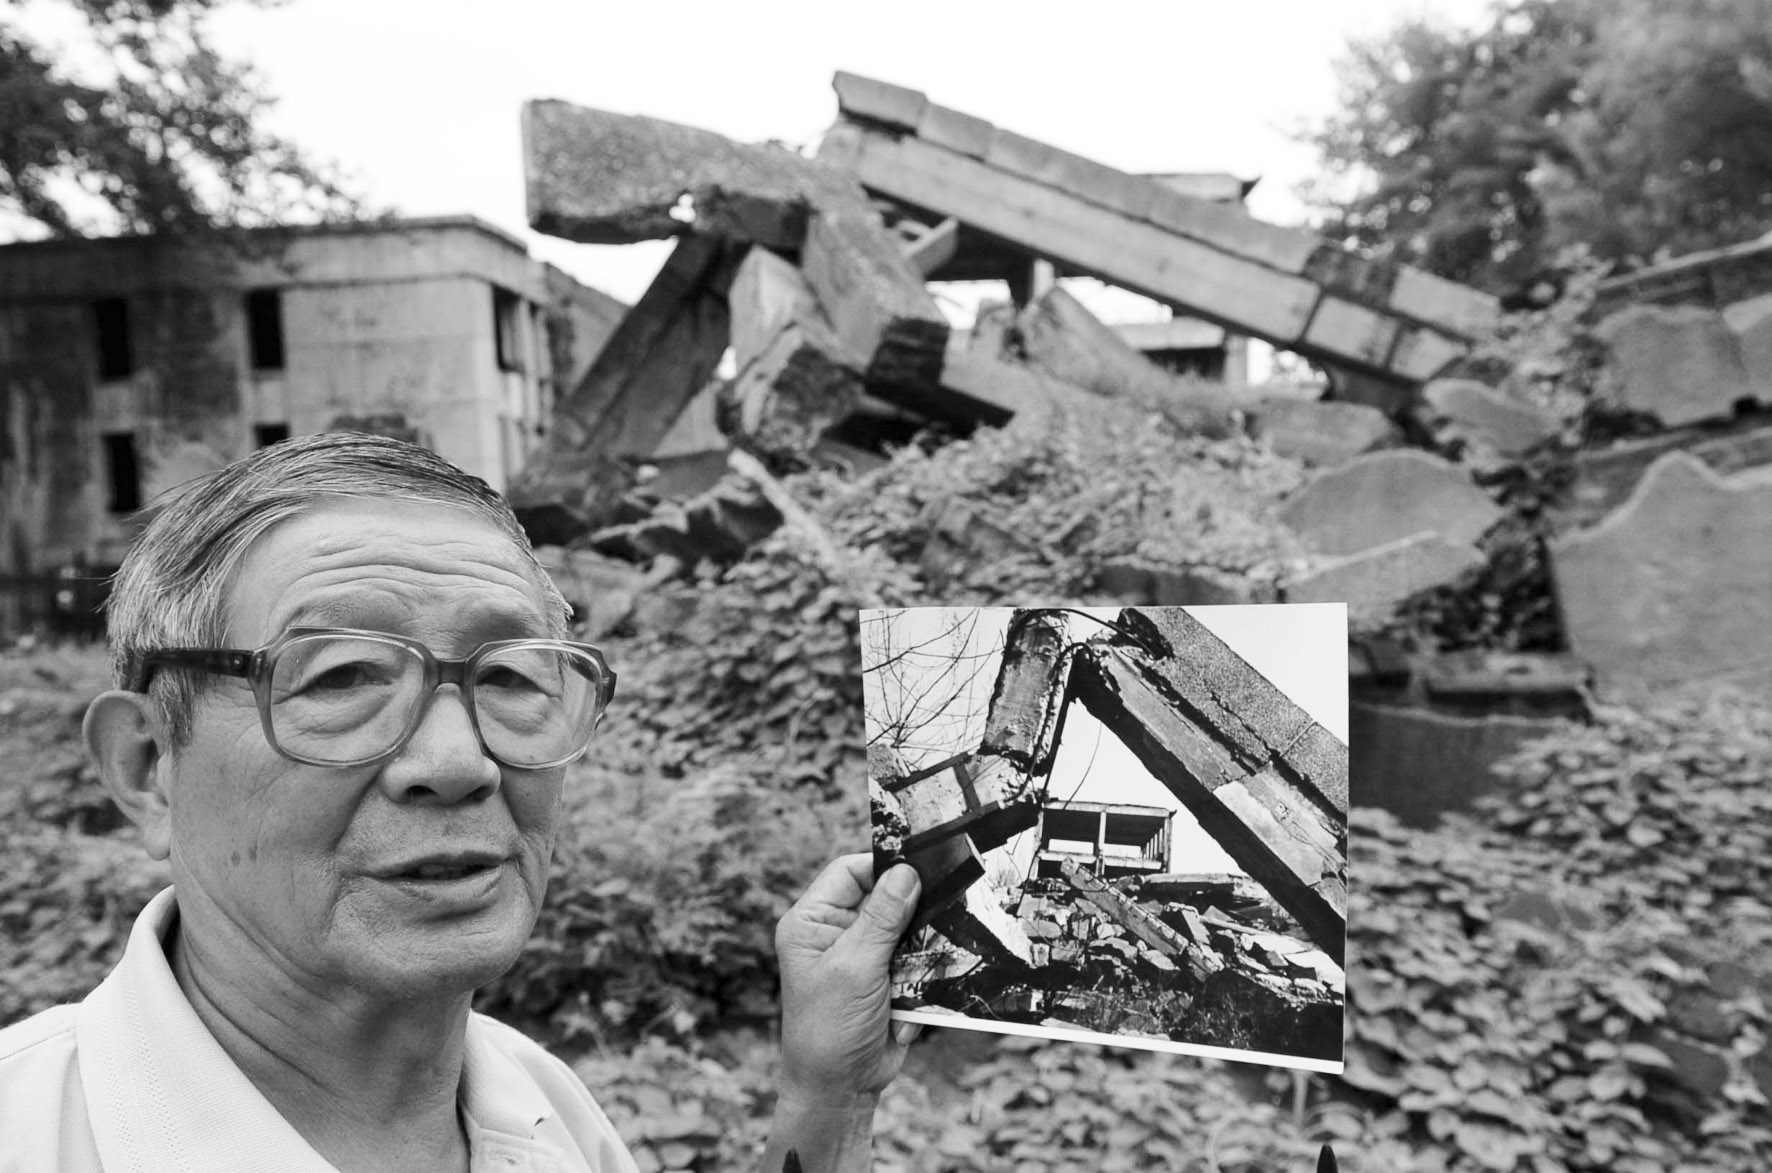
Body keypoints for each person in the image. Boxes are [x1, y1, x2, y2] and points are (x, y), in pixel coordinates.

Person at [0, 432, 922, 1172]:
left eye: (514, 676)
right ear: (148, 764)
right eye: (344, 675)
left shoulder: (542, 1110)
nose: (457, 760)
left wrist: (827, 1095)